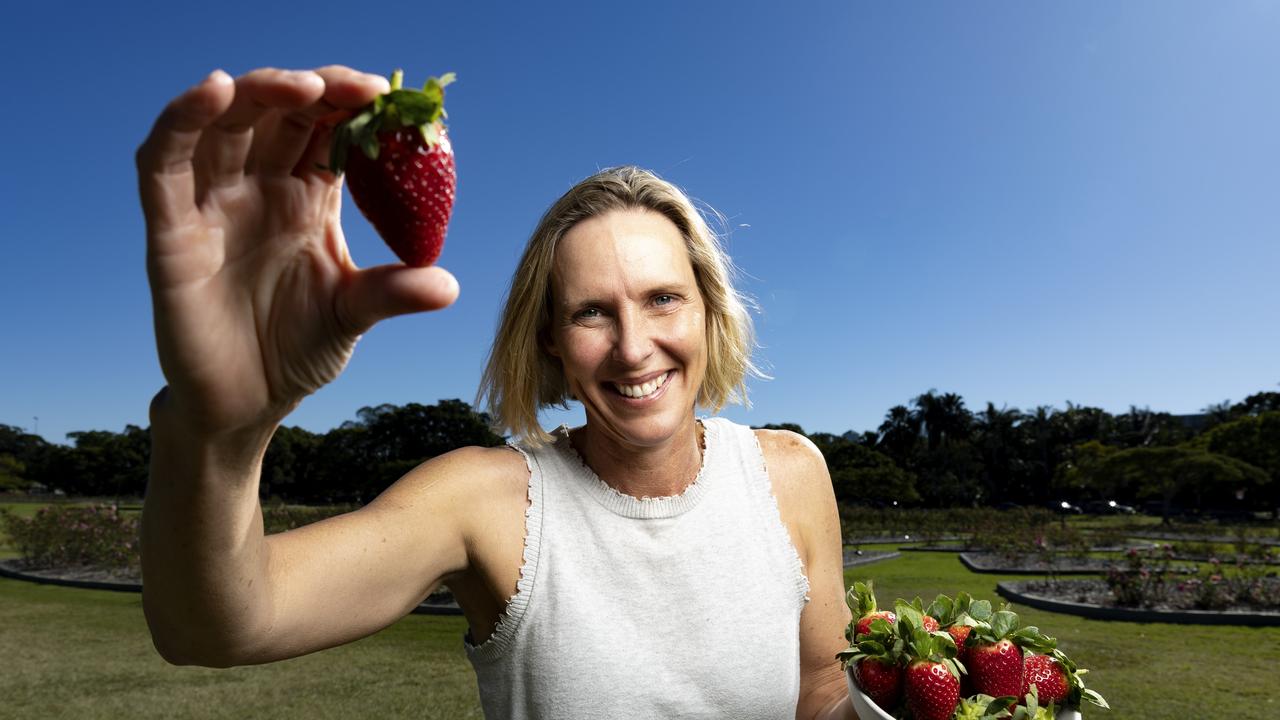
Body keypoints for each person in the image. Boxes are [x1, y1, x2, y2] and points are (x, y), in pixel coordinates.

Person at [136, 65, 857, 719]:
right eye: (592, 312)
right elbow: (216, 626)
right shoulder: (484, 503)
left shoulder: (791, 475)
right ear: (549, 338)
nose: (634, 346)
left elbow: (822, 694)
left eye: (664, 298)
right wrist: (220, 430)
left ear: (708, 309)